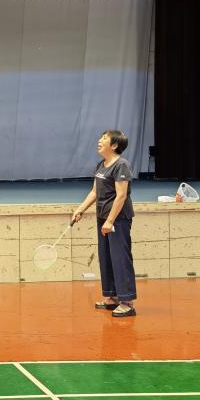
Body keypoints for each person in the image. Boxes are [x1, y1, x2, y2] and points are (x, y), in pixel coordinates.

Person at [71, 130, 137, 317]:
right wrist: (80, 209)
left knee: (120, 258)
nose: (99, 141)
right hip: (103, 217)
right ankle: (112, 297)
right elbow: (94, 191)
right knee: (106, 257)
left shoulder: (121, 165)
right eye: (100, 138)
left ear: (114, 145)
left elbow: (121, 196)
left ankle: (127, 302)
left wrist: (110, 221)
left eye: (104, 139)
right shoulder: (101, 164)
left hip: (117, 219)